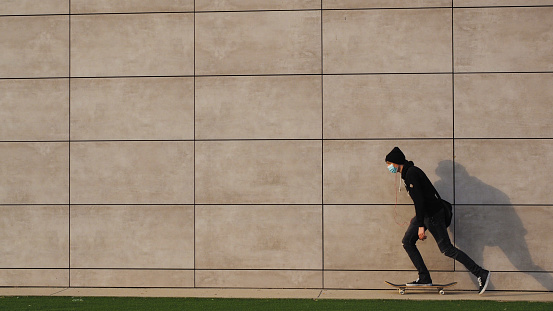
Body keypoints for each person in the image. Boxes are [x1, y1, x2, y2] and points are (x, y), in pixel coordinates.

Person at [385, 147, 491, 294]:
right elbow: (421, 200)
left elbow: (420, 201)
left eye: (389, 163)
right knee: (407, 242)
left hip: (433, 215)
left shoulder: (411, 173)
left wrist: (420, 225)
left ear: (396, 162)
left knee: (447, 249)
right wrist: (418, 218)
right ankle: (424, 278)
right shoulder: (408, 173)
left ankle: (480, 272)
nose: (389, 167)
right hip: (426, 214)